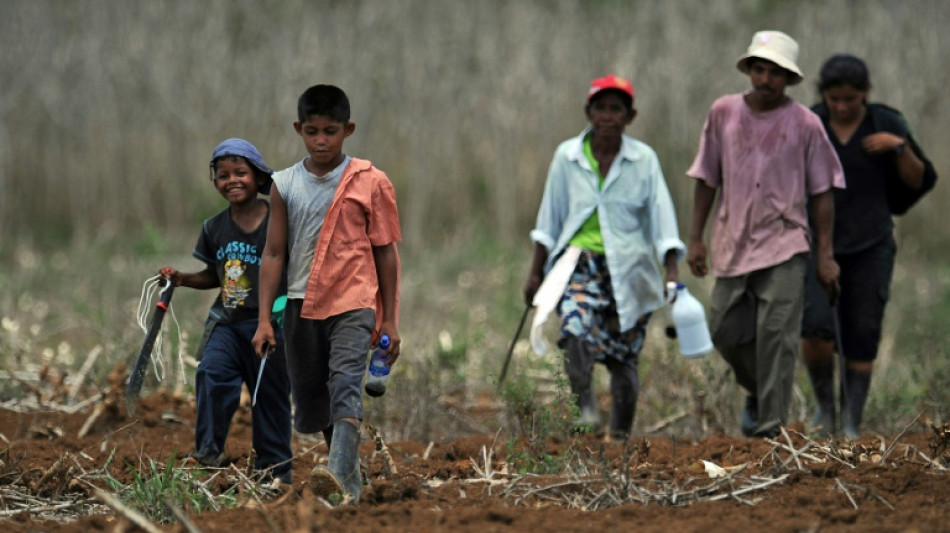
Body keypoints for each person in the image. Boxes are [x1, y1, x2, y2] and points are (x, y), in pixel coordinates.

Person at [686, 31, 845, 438]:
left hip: (786, 243)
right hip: (733, 240)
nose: (765, 79)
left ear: (788, 78)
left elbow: (822, 191)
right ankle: (758, 391)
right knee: (724, 329)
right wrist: (696, 237)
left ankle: (770, 432)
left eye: (775, 73)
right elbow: (706, 177)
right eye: (759, 69)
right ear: (749, 71)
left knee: (777, 336)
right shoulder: (724, 113)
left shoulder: (805, 124)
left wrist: (825, 255)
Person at [253, 84, 402, 505]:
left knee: (344, 384)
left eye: (330, 132)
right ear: (298, 129)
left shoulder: (370, 182)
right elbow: (274, 254)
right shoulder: (284, 184)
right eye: (312, 131)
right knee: (315, 396)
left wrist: (390, 318)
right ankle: (349, 486)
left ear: (348, 130)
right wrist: (264, 319)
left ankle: (335, 471)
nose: (321, 141)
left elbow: (386, 252)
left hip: (354, 301)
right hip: (300, 304)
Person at [524, 74, 685, 441]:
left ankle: (621, 438)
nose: (608, 116)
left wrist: (672, 272)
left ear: (630, 116)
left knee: (624, 355)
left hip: (631, 269)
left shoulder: (644, 160)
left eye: (616, 109)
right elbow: (548, 221)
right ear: (589, 112)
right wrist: (535, 274)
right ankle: (585, 408)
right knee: (575, 328)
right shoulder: (567, 157)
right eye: (601, 109)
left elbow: (663, 221)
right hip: (578, 265)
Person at [801, 54, 937, 439]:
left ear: (866, 93)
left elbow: (918, 180)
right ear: (823, 96)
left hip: (871, 244)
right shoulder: (811, 123)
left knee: (862, 332)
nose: (842, 107)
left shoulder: (886, 123)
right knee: (815, 327)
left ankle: (851, 422)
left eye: (851, 99)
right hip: (817, 244)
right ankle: (825, 411)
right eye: (834, 99)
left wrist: (899, 147)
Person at [159, 138, 293, 483]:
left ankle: (274, 471)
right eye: (223, 175)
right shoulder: (214, 227)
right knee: (212, 375)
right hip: (228, 322)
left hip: (272, 322)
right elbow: (214, 276)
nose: (232, 180)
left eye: (240, 173)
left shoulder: (279, 220)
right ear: (215, 181)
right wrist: (182, 279)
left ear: (258, 176)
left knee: (270, 395)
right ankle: (208, 452)